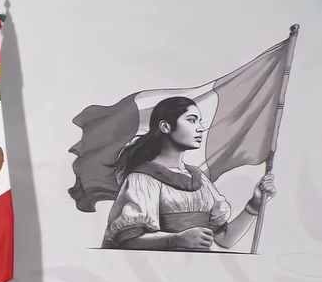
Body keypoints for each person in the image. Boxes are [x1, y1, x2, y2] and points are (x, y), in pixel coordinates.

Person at [103, 96, 276, 250]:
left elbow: (225, 239)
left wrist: (255, 204)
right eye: (192, 120)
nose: (200, 128)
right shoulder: (142, 178)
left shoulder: (198, 177)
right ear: (165, 126)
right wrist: (175, 240)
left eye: (200, 121)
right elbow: (127, 241)